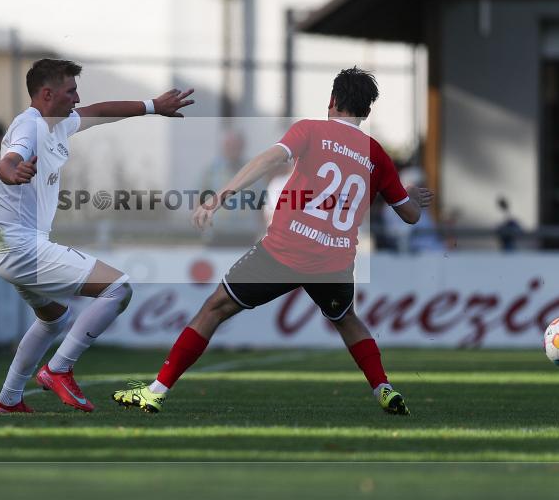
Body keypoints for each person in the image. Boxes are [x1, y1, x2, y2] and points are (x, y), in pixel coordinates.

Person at [113, 67, 433, 416]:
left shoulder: (311, 129)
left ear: (332, 100)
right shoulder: (377, 155)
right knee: (347, 319)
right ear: (367, 111)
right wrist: (412, 196)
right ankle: (383, 388)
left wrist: (220, 195)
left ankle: (156, 391)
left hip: (284, 250)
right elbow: (411, 216)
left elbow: (271, 159)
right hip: (334, 262)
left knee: (214, 308)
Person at [0, 58, 193, 414]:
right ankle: (59, 369)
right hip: (17, 244)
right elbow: (8, 160)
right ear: (47, 94)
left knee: (54, 319)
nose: (77, 98)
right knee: (118, 288)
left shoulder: (58, 123)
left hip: (2, 243)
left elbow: (100, 110)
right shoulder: (30, 126)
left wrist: (153, 107)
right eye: (71, 91)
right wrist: (10, 172)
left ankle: (7, 400)